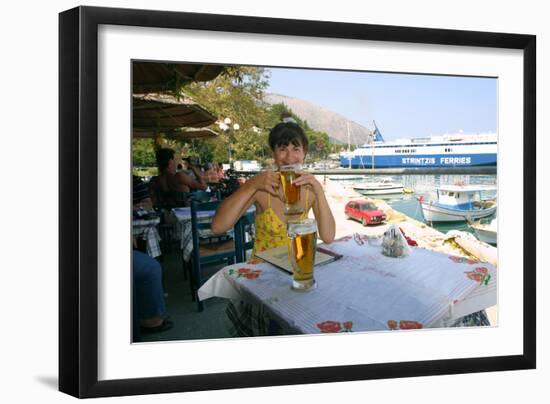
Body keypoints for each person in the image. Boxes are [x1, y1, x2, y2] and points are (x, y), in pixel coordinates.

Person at [212, 117, 335, 256]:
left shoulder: (310, 188)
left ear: (304, 153)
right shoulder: (262, 186)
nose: (289, 157)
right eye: (282, 149)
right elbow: (218, 227)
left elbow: (328, 237)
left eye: (296, 149)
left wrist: (320, 191)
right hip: (263, 271)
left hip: (298, 267)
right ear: (273, 154)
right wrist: (252, 184)